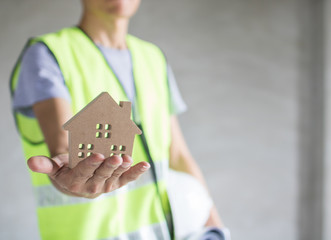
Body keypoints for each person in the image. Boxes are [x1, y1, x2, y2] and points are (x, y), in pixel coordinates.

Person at [10, 0, 224, 239]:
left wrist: (216, 227)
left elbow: (178, 156)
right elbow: (63, 147)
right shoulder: (49, 54)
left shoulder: (152, 57)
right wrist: (70, 175)